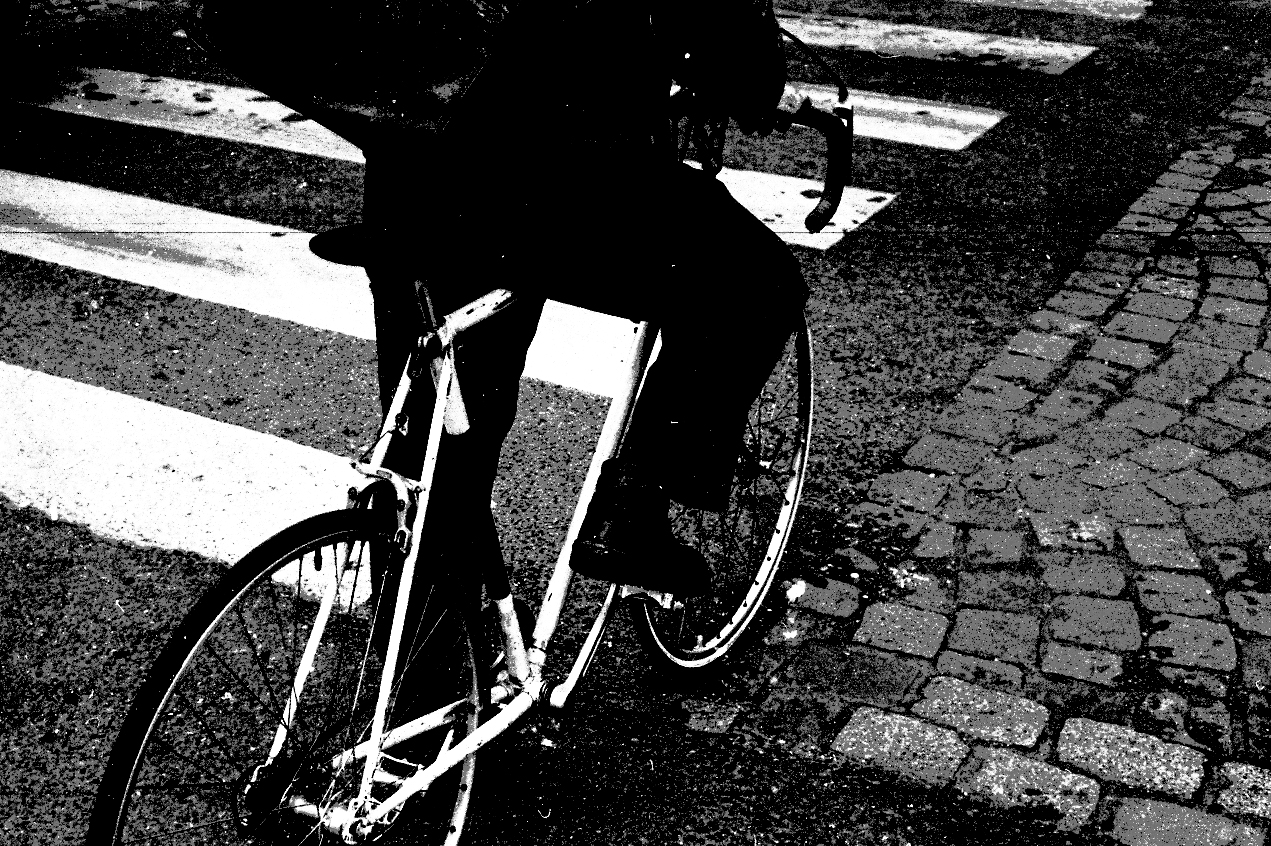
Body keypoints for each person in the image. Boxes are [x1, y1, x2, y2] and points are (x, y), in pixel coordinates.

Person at [196, 0, 808, 597]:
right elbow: (737, 56)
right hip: (558, 184)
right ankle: (632, 510)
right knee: (758, 284)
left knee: (430, 448)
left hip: (411, 171)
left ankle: (418, 671)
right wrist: (757, 85)